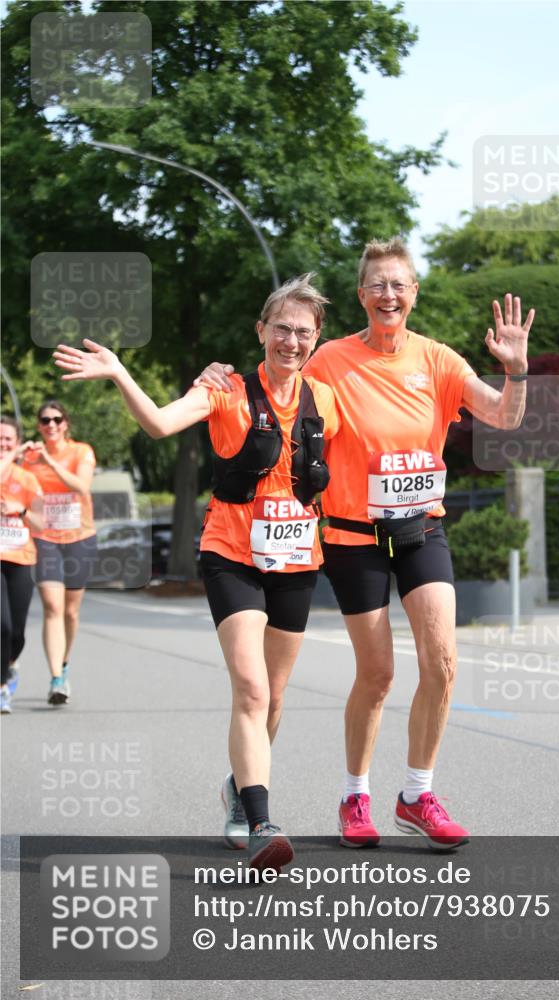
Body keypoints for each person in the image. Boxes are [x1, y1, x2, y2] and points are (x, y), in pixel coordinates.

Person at [195, 237, 534, 851]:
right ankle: (355, 797)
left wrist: (515, 370)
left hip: (422, 529)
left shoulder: (438, 360)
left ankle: (417, 795)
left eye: (399, 284)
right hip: (353, 537)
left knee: (443, 663)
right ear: (361, 295)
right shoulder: (329, 359)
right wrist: (219, 378)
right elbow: (275, 380)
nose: (388, 294)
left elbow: (505, 416)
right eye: (377, 284)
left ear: (414, 294)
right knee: (377, 674)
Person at [53, 274, 339, 872]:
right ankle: (261, 823)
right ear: (260, 331)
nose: (291, 341)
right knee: (251, 688)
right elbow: (159, 424)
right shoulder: (225, 389)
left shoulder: (326, 400)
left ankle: (238, 787)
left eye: (303, 332)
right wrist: (119, 373)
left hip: (296, 559)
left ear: (316, 339)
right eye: (281, 328)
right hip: (231, 552)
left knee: (275, 696)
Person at [20, 401, 98, 707]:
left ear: (65, 423)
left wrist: (50, 463)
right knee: (53, 606)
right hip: (45, 539)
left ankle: (64, 664)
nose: (51, 425)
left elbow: (82, 487)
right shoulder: (30, 460)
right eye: (45, 420)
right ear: (38, 426)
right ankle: (55, 679)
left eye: (56, 419)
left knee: (70, 611)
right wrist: (18, 456)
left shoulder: (81, 452)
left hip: (79, 537)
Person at [0, 416, 44, 714]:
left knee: (16, 632)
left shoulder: (27, 480)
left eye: (8, 440)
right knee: (1, 625)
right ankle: (2, 686)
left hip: (21, 557)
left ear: (17, 442)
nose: (3, 444)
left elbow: (41, 523)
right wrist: (13, 456)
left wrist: (21, 510)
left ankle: (11, 663)